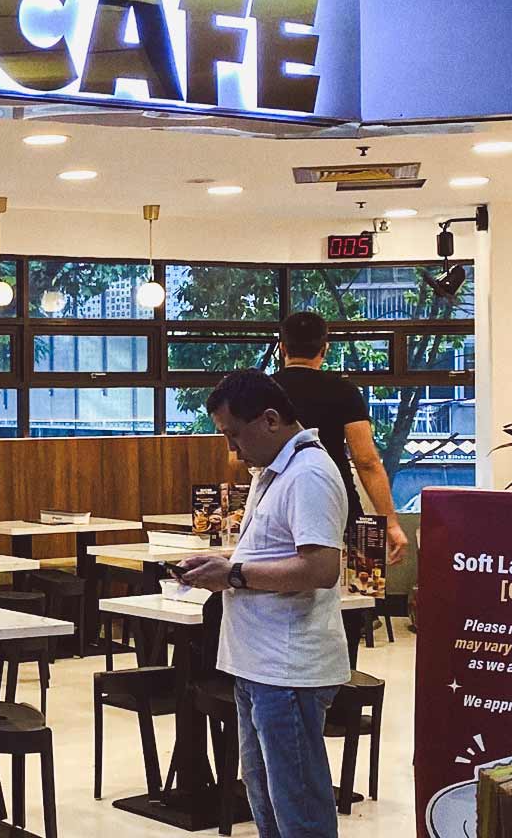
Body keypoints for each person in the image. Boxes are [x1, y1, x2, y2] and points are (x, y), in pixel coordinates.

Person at [178, 370, 349, 838]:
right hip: (256, 664)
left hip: (288, 668)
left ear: (270, 419)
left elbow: (319, 569)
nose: (232, 451)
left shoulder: (310, 473)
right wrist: (222, 562)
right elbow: (270, 553)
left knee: (298, 806)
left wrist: (231, 574)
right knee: (265, 800)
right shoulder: (273, 471)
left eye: (234, 435)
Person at [274, 311, 409, 565]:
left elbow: (242, 459)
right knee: (357, 590)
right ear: (325, 349)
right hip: (337, 501)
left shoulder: (264, 389)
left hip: (277, 503)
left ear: (283, 348)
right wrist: (390, 523)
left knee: (280, 583)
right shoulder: (343, 390)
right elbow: (366, 461)